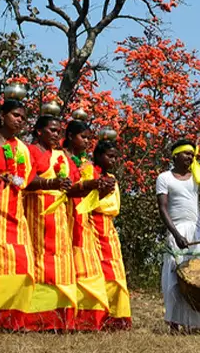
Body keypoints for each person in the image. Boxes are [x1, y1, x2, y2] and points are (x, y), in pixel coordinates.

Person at [157, 139, 200, 333]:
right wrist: (176, 235)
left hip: (197, 232)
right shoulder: (164, 178)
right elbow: (163, 209)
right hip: (177, 231)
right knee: (177, 278)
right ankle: (175, 324)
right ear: (175, 155)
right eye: (186, 154)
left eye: (192, 155)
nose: (190, 157)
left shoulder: (197, 177)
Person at [22, 115, 78, 331]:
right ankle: (34, 319)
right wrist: (50, 183)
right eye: (52, 130)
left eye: (58, 131)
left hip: (60, 216)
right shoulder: (30, 150)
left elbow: (73, 183)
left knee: (61, 262)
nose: (56, 134)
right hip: (36, 210)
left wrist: (92, 185)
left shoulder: (61, 156)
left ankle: (59, 319)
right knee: (38, 261)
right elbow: (25, 179)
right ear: (38, 132)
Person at [0, 98, 35, 329]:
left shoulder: (22, 147)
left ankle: (12, 317)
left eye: (23, 118)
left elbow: (26, 177)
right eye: (16, 115)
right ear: (2, 115)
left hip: (16, 207)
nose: (20, 121)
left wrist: (13, 179)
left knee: (21, 261)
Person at [64, 120, 111, 331]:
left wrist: (101, 189)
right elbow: (66, 187)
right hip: (65, 215)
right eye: (83, 137)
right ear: (71, 135)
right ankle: (70, 315)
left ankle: (89, 318)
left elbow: (90, 195)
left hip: (83, 219)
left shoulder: (85, 162)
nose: (86, 141)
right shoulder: (62, 157)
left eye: (89, 138)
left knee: (87, 267)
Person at [90, 139, 131, 330]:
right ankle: (98, 315)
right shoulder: (89, 173)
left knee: (115, 271)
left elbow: (116, 207)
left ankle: (117, 316)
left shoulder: (112, 177)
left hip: (109, 227)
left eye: (116, 157)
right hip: (92, 224)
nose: (113, 160)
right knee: (98, 270)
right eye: (109, 156)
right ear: (98, 156)